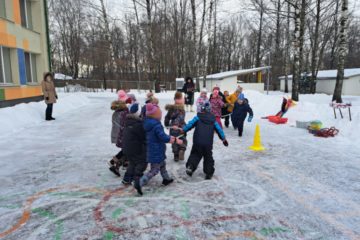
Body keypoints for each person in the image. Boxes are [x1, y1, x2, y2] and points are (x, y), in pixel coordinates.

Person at [134, 103, 182, 195]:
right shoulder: (156, 125)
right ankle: (139, 182)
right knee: (154, 170)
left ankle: (166, 179)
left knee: (162, 164)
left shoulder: (149, 123)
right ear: (154, 115)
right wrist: (174, 139)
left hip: (154, 148)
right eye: (159, 114)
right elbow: (162, 137)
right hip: (156, 150)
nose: (161, 115)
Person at [179, 101, 228, 180]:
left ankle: (190, 166)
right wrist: (223, 139)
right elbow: (219, 130)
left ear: (202, 109)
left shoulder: (198, 117)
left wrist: (183, 130)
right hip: (208, 143)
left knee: (195, 154)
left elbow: (190, 124)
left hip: (197, 141)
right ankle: (208, 173)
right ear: (210, 110)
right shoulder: (213, 120)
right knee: (208, 157)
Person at [122, 103, 148, 185]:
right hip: (135, 149)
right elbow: (143, 136)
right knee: (142, 162)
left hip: (126, 148)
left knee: (132, 163)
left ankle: (127, 178)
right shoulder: (138, 125)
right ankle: (137, 177)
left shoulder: (128, 122)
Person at [108, 90, 129, 177]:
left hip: (119, 135)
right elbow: (124, 125)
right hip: (122, 135)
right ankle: (114, 163)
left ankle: (119, 163)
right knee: (127, 150)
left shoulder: (116, 113)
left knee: (126, 150)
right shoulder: (123, 113)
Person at [165, 92, 187, 161]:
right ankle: (182, 150)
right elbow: (180, 118)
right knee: (182, 139)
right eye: (182, 98)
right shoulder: (181, 109)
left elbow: (167, 117)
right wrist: (177, 125)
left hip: (172, 129)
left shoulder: (171, 108)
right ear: (180, 100)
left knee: (174, 141)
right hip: (180, 127)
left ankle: (176, 155)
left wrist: (166, 124)